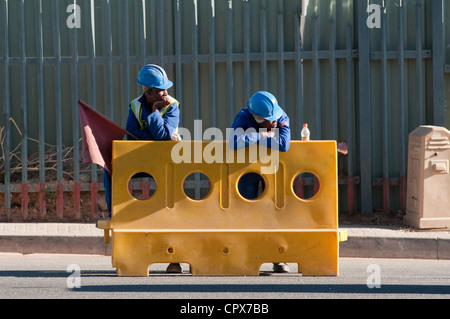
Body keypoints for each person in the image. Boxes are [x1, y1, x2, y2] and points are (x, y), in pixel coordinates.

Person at [103, 64, 182, 273]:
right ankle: (114, 212)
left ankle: (175, 256)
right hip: (143, 160)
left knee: (171, 201)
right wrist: (154, 135)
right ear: (148, 92)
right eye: (159, 90)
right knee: (110, 165)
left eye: (165, 89)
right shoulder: (135, 106)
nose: (165, 93)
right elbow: (132, 135)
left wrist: (155, 114)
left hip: (167, 162)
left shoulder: (172, 106)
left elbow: (165, 137)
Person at [229, 91, 291, 273]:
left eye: (274, 118)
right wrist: (262, 136)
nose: (273, 122)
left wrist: (251, 138)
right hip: (247, 172)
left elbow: (283, 144)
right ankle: (243, 256)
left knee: (274, 213)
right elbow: (234, 143)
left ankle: (278, 258)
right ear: (255, 117)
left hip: (272, 172)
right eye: (267, 119)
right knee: (245, 211)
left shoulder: (281, 115)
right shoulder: (243, 116)